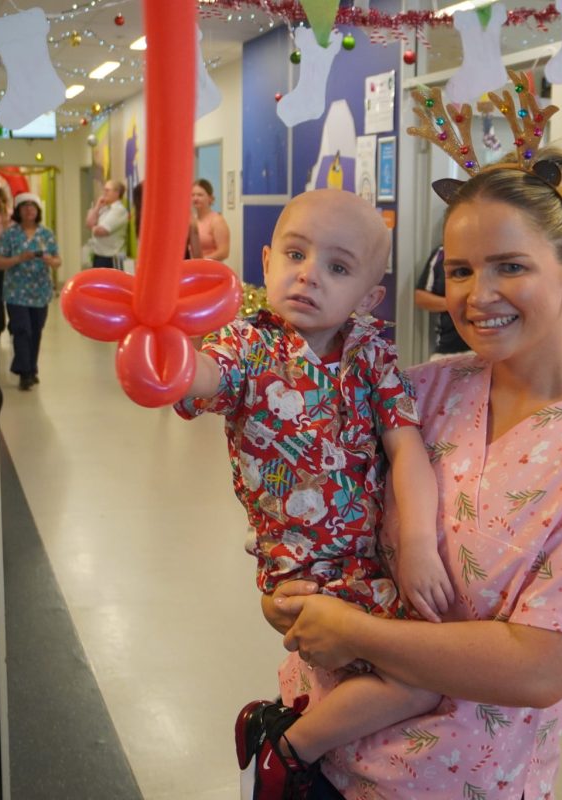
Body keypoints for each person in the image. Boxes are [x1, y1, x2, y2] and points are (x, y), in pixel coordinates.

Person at [261, 145, 562, 799]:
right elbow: (317, 506)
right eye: (459, 270)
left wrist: (352, 631)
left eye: (511, 266)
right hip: (317, 748)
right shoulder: (421, 393)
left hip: (456, 782)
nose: (478, 297)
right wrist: (292, 592)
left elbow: (540, 667)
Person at [174, 188, 454, 799]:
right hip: (300, 569)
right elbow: (203, 376)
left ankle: (277, 728)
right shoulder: (250, 343)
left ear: (369, 296)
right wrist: (166, 349)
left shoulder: (371, 352)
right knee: (418, 682)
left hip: (366, 562)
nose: (309, 276)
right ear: (267, 261)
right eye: (295, 255)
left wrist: (417, 544)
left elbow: (406, 447)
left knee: (413, 670)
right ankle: (288, 749)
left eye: (338, 266)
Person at [0, 192, 60, 391]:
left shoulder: (46, 234)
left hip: (40, 292)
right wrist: (18, 259)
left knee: (36, 331)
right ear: (18, 211)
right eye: (24, 206)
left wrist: (50, 260)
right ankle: (24, 372)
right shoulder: (10, 234)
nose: (29, 209)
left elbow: (58, 261)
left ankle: (32, 368)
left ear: (38, 210)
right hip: (16, 292)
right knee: (22, 330)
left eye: (33, 206)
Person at [413, 243, 470, 359]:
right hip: (450, 347)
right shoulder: (442, 253)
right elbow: (420, 297)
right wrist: (456, 304)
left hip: (490, 349)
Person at [85, 178, 129, 268]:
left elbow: (101, 231)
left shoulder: (119, 210)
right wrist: (97, 207)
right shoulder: (104, 208)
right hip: (99, 256)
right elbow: (89, 222)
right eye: (104, 190)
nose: (104, 193)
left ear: (116, 193)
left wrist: (93, 227)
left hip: (111, 259)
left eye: (107, 190)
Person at [192, 178, 230, 261]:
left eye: (200, 195)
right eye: (193, 195)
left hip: (211, 269)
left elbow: (224, 252)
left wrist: (203, 261)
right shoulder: (192, 221)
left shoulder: (217, 221)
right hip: (194, 269)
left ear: (210, 198)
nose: (195, 198)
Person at [0, 186, 12, 335]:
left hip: (9, 259)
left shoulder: (10, 216)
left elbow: (4, 235)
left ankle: (12, 324)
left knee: (9, 293)